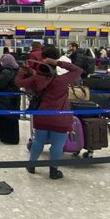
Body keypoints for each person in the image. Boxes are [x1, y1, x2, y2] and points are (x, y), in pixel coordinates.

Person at [16, 45, 83, 180]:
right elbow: (78, 70)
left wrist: (23, 69)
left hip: (41, 115)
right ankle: (53, 170)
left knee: (38, 141)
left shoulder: (37, 79)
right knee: (57, 144)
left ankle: (32, 165)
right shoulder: (62, 80)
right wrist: (57, 62)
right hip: (61, 116)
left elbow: (18, 83)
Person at [0, 54, 21, 144]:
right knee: (13, 118)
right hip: (14, 97)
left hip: (5, 98)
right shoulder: (17, 70)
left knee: (6, 117)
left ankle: (7, 137)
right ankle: (12, 138)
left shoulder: (6, 71)